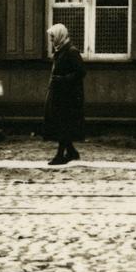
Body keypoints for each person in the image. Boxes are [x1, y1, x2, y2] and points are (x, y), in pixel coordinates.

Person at [42, 24, 85, 166]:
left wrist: (63, 79)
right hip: (60, 94)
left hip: (68, 96)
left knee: (63, 124)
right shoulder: (60, 51)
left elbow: (81, 72)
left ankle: (61, 155)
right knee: (61, 124)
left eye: (53, 37)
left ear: (60, 36)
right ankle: (71, 152)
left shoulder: (71, 51)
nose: (51, 40)